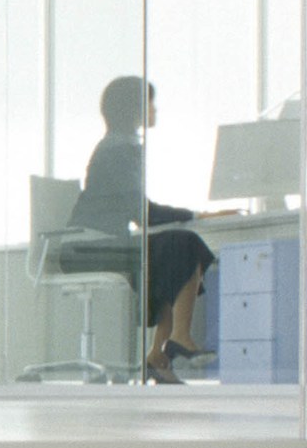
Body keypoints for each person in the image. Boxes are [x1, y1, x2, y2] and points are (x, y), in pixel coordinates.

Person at [63, 75, 218, 383]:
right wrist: (196, 214)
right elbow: (143, 213)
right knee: (182, 244)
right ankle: (176, 339)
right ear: (133, 108)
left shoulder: (120, 145)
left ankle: (159, 355)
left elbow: (137, 210)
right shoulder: (120, 149)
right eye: (149, 103)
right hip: (86, 248)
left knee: (175, 250)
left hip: (97, 243)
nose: (154, 109)